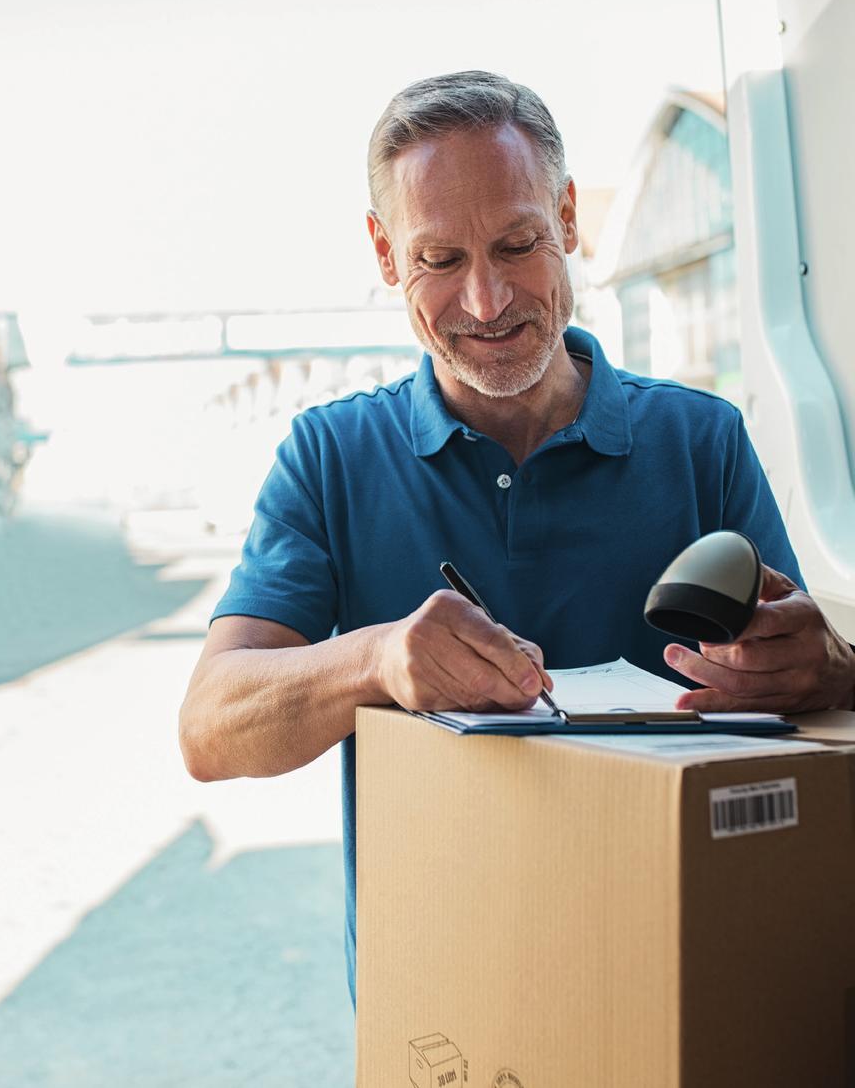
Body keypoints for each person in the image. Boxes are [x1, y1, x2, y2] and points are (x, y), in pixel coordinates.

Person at [179, 70, 855, 1005]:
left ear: (569, 218)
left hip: (680, 977)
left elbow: (818, 701)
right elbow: (211, 728)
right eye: (439, 260)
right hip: (442, 1002)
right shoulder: (329, 456)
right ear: (384, 254)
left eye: (516, 244)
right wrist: (376, 661)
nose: (488, 301)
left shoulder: (702, 443)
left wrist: (833, 668)